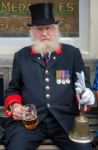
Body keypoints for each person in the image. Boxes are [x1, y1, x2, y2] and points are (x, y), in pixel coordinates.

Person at [4, 2, 95, 150]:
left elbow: (83, 85)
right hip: (30, 122)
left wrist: (86, 94)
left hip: (64, 121)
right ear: (32, 32)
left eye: (48, 28)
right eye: (40, 29)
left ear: (56, 29)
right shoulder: (21, 56)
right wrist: (15, 106)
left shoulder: (72, 54)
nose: (45, 33)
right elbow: (13, 90)